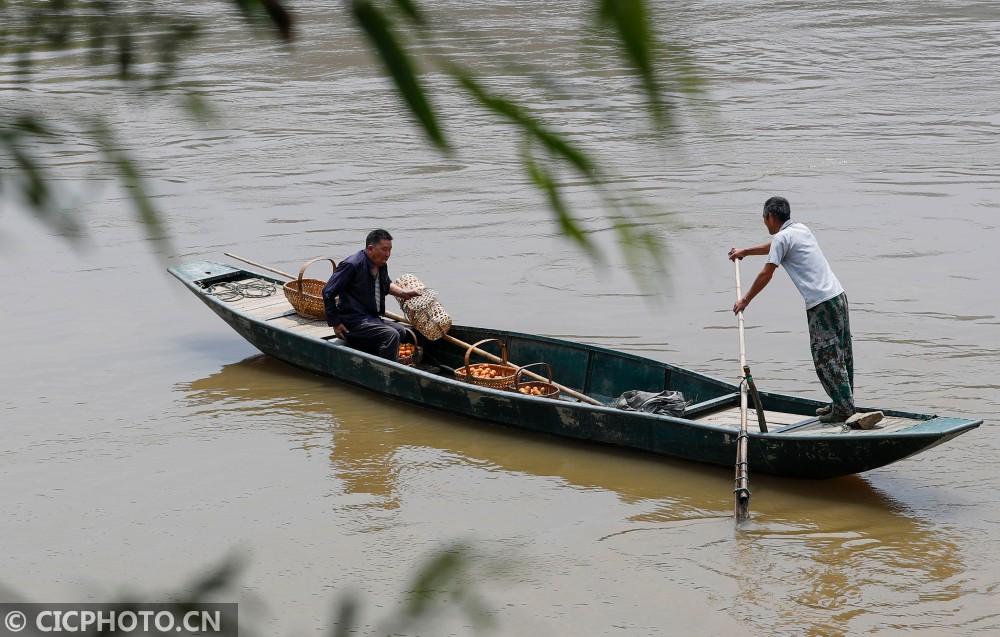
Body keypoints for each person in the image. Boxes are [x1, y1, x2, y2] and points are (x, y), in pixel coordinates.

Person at [728, 196, 855, 423]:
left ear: (769, 217)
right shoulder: (799, 229)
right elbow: (775, 245)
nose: (765, 224)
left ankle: (844, 410)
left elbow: (767, 272)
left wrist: (745, 300)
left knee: (825, 357)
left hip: (821, 304)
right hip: (838, 296)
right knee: (842, 353)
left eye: (764, 219)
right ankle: (843, 403)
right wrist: (745, 251)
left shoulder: (783, 238)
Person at [322, 229, 421, 361]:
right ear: (370, 248)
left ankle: (376, 357)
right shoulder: (352, 264)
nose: (388, 254)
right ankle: (388, 372)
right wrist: (335, 323)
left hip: (371, 318)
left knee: (400, 331)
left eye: (390, 250)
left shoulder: (380, 265)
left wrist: (404, 293)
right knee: (391, 335)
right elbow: (327, 291)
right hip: (353, 321)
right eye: (384, 250)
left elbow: (385, 285)